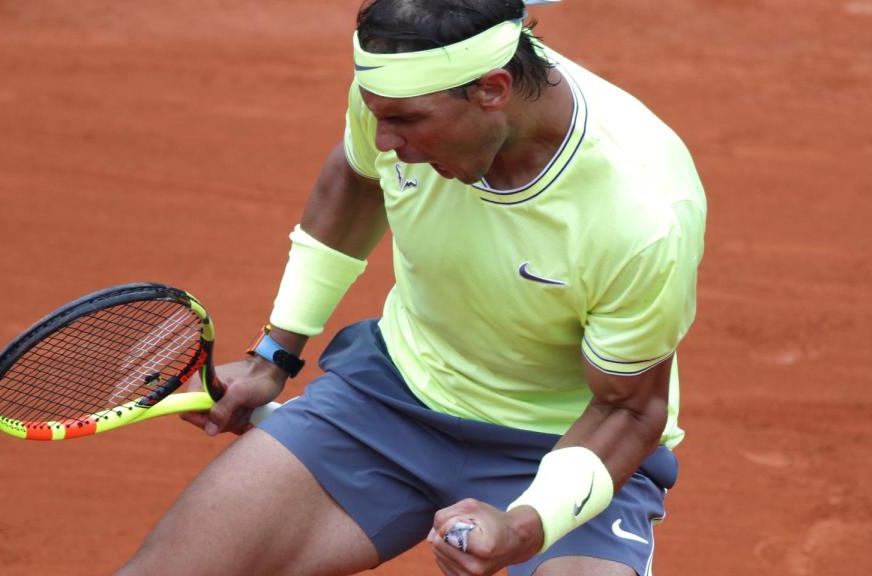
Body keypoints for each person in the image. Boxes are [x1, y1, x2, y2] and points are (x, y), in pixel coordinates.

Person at [117, 0, 706, 574]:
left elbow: (627, 410)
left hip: (563, 441)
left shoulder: (641, 214)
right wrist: (276, 354)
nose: (383, 139)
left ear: (492, 90)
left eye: (403, 121)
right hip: (389, 402)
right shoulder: (396, 93)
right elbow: (356, 177)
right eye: (375, 113)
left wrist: (525, 525)